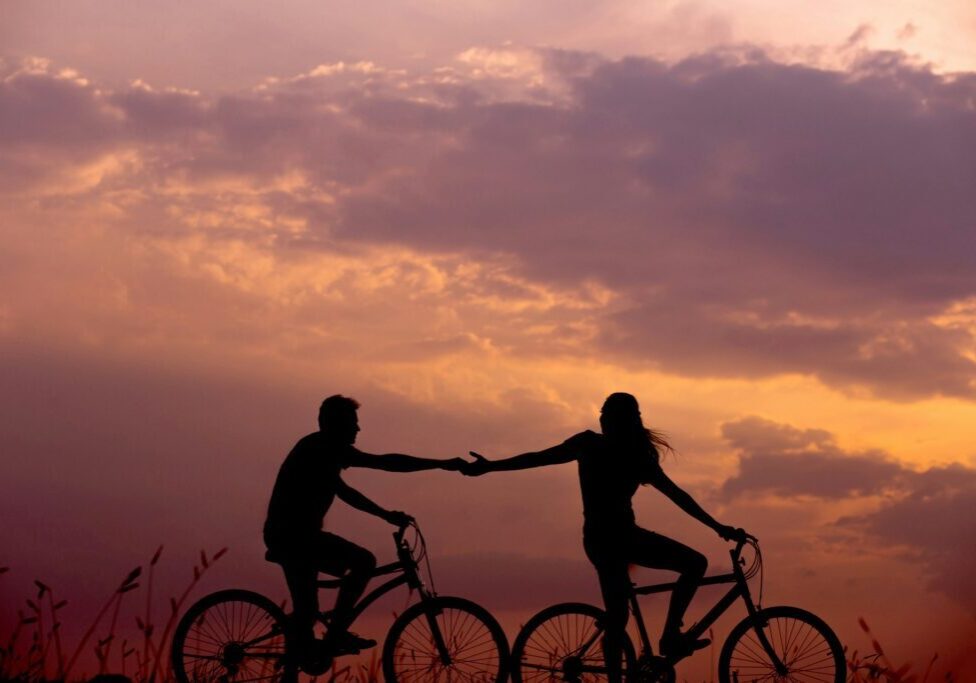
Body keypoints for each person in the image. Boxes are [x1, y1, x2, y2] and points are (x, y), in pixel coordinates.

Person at [461, 392, 747, 681]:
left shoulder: (617, 451)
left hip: (611, 539)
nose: (601, 418)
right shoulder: (610, 449)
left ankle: (659, 644)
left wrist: (717, 526)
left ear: (619, 420)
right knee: (677, 575)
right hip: (613, 539)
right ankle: (669, 637)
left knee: (631, 607)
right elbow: (537, 458)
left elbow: (677, 495)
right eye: (602, 413)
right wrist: (718, 527)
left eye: (606, 414)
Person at [264, 394, 464, 663]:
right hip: (292, 538)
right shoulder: (321, 448)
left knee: (307, 613)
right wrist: (439, 464)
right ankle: (334, 634)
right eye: (352, 423)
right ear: (335, 425)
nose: (358, 429)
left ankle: (309, 640)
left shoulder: (324, 450)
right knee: (362, 562)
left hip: (300, 537)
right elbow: (379, 467)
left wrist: (386, 514)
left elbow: (358, 482)